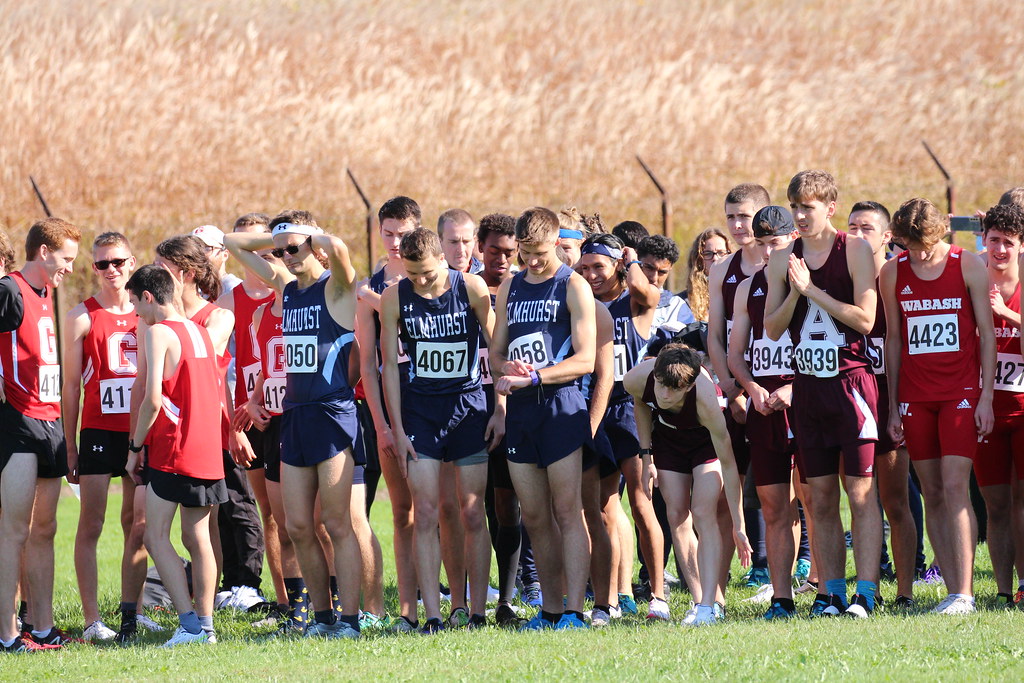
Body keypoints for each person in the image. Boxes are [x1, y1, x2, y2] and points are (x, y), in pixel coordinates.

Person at [224, 211, 364, 638]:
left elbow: (338, 249)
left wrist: (309, 237)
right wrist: (280, 238)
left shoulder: (336, 287)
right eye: (280, 251)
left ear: (313, 245)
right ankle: (321, 618)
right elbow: (232, 244)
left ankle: (350, 620)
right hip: (295, 415)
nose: (286, 256)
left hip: (331, 414)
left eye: (293, 248)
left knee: (336, 523)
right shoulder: (287, 289)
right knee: (298, 525)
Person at [764, 169, 883, 618]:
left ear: (830, 208)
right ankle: (832, 593)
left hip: (851, 387)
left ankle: (866, 593)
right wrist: (796, 294)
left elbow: (866, 320)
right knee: (821, 497)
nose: (799, 215)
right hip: (808, 390)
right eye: (794, 206)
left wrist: (812, 290)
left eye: (808, 207)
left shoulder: (854, 249)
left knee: (861, 493)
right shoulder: (783, 257)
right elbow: (772, 329)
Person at [881, 197, 994, 615]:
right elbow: (894, 339)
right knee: (931, 492)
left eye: (924, 246)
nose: (919, 254)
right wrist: (893, 407)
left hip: (960, 393)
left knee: (954, 486)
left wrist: (985, 397)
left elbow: (986, 333)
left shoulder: (968, 265)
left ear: (941, 232)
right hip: (915, 396)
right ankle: (951, 591)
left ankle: (965, 592)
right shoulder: (892, 271)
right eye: (909, 247)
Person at [380, 228, 495, 633]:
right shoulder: (394, 296)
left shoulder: (472, 287)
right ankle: (432, 615)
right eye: (412, 274)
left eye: (427, 273)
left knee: (472, 510)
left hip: (468, 409)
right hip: (421, 414)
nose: (421, 281)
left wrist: (500, 407)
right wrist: (397, 428)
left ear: (443, 259)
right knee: (425, 511)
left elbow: (496, 348)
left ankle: (476, 611)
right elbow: (388, 365)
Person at [491, 207, 596, 630]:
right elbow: (496, 352)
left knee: (567, 511)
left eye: (540, 252)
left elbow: (586, 360)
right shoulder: (510, 287)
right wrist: (506, 369)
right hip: (521, 411)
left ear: (556, 242)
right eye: (525, 252)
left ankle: (575, 610)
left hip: (561, 407)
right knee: (534, 517)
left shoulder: (573, 285)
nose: (532, 261)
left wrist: (537, 375)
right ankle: (550, 609)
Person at [126, 264, 226, 647]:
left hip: (175, 449)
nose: (137, 313)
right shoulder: (200, 330)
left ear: (148, 297)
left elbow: (152, 400)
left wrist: (135, 447)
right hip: (207, 450)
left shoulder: (158, 332)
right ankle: (207, 626)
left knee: (154, 536)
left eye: (136, 304)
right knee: (198, 538)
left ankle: (189, 626)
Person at [62, 232, 150, 642]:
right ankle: (92, 619)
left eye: (117, 262)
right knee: (91, 523)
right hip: (98, 432)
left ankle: (134, 612)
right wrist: (70, 445)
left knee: (138, 524)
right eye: (102, 264)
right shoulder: (81, 316)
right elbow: (70, 388)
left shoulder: (148, 312)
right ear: (94, 267)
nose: (111, 270)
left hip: (139, 432)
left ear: (132, 262)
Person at [576, 232, 669, 621]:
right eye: (584, 268)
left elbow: (647, 292)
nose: (591, 275)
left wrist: (629, 259)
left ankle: (658, 595)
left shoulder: (634, 302)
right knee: (601, 508)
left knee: (641, 502)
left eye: (599, 266)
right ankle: (612, 597)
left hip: (631, 410)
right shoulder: (582, 304)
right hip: (594, 410)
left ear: (617, 265)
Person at [624, 343, 750, 626]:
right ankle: (699, 601)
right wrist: (646, 456)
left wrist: (739, 525)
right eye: (660, 385)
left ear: (689, 386)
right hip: (668, 440)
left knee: (703, 513)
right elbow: (641, 402)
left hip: (705, 442)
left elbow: (730, 467)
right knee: (677, 515)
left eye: (674, 390)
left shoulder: (706, 401)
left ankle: (710, 606)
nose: (664, 395)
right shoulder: (637, 378)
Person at [0, 218, 80, 653]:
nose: (70, 267)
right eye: (66, 258)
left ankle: (43, 627)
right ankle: (7, 634)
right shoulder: (9, 290)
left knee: (44, 529)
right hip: (18, 424)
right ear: (44, 251)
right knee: (14, 531)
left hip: (50, 422)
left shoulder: (45, 291)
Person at [727, 206, 800, 619]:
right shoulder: (747, 287)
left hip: (806, 402)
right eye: (762, 243)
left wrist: (796, 387)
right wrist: (751, 387)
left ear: (793, 238)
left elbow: (833, 348)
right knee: (773, 507)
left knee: (816, 501)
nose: (769, 251)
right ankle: (781, 596)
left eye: (776, 243)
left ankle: (826, 590)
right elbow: (737, 353)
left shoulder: (810, 280)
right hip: (763, 406)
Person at [355, 196, 422, 632]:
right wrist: (380, 425)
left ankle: (455, 603)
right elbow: (367, 364)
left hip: (433, 402)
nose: (396, 241)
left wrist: (378, 301)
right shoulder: (370, 284)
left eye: (404, 233)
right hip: (388, 406)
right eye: (388, 233)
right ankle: (404, 611)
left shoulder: (434, 278)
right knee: (402, 512)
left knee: (443, 510)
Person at [846, 201, 918, 607]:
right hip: (849, 401)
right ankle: (863, 588)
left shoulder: (899, 277)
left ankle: (905, 591)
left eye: (867, 228)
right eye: (852, 227)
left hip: (891, 400)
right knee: (858, 500)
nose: (857, 235)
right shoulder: (841, 277)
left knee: (894, 499)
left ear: (887, 236)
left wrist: (899, 407)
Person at [214, 214, 280, 612]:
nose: (259, 256)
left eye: (266, 248)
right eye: (249, 247)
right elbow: (216, 370)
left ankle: (323, 596)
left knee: (304, 515)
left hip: (286, 413)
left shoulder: (288, 294)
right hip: (246, 418)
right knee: (268, 513)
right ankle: (286, 602)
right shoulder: (228, 302)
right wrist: (232, 427)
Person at [708, 184, 772, 592]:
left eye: (744, 216)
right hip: (735, 391)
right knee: (725, 495)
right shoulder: (722, 270)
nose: (736, 225)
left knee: (784, 494)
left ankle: (786, 579)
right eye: (730, 216)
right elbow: (715, 337)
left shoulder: (784, 261)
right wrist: (732, 391)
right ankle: (715, 592)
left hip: (777, 389)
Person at [473, 213, 524, 626]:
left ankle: (507, 598)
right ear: (480, 248)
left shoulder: (523, 290)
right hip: (466, 409)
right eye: (494, 251)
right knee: (470, 506)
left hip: (510, 409)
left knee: (507, 505)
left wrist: (502, 408)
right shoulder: (464, 288)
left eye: (510, 251)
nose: (502, 259)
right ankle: (466, 601)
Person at [973, 203, 1024, 607]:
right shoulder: (972, 280)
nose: (1000, 250)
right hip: (985, 409)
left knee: (1022, 501)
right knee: (996, 504)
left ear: (1021, 245)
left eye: (1008, 242)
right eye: (994, 240)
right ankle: (1003, 590)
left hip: (1022, 408)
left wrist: (1008, 314)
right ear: (984, 240)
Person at [683, 228, 730, 322]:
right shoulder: (684, 302)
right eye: (708, 254)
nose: (715, 258)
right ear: (698, 260)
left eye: (721, 253)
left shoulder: (740, 291)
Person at [438, 208, 483, 274]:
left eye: (466, 241)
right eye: (454, 242)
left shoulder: (487, 275)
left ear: (474, 240)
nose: (461, 249)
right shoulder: (429, 276)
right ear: (440, 242)